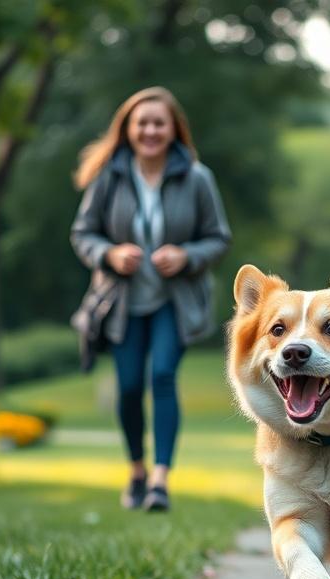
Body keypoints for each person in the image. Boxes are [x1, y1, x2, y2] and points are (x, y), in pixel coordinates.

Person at [71, 87, 231, 511]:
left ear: (173, 128)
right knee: (127, 388)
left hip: (173, 303)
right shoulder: (109, 176)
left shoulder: (197, 177)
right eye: (142, 122)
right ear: (128, 128)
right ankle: (137, 471)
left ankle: (161, 480)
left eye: (159, 122)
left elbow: (218, 239)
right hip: (122, 304)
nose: (150, 130)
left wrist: (186, 255)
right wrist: (109, 253)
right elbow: (82, 234)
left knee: (162, 377)